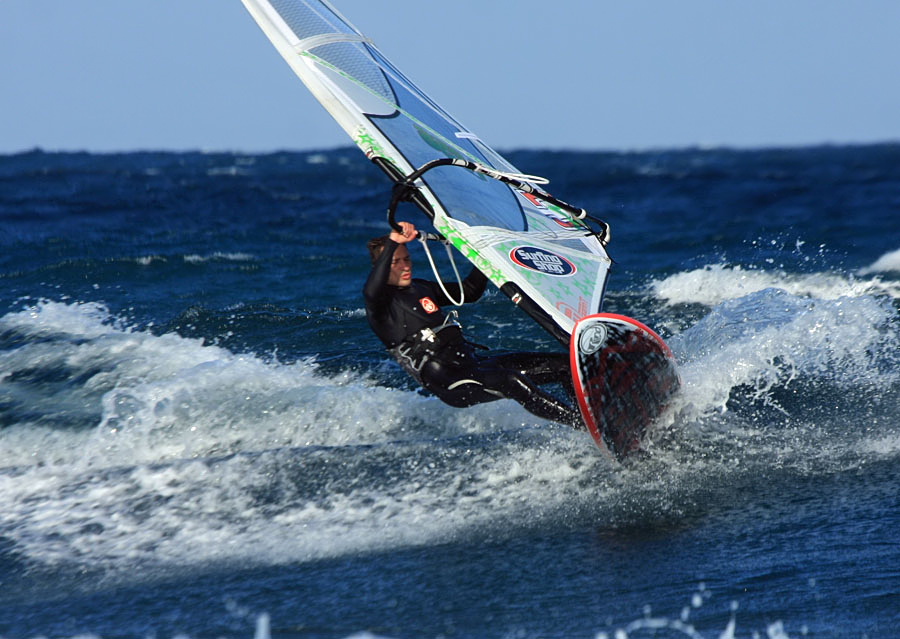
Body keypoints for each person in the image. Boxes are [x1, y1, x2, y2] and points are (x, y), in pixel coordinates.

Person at [363, 220, 583, 428]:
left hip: (474, 364)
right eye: (395, 261)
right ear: (380, 266)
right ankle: (582, 427)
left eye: (407, 259)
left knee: (565, 366)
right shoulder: (380, 305)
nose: (405, 266)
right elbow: (373, 287)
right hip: (449, 381)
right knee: (511, 381)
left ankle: (591, 418)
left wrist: (486, 257)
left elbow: (469, 292)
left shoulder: (421, 288)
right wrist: (393, 241)